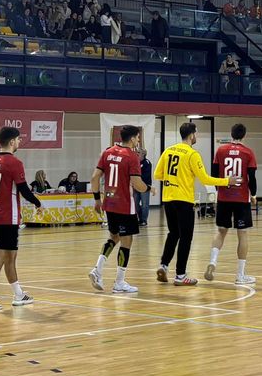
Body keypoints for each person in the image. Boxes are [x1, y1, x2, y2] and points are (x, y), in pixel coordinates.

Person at [155, 121, 233, 284]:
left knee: (173, 233)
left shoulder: (168, 150)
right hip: (184, 200)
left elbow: (158, 174)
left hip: (168, 199)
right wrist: (227, 181)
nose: (196, 136)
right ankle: (180, 275)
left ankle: (163, 265)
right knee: (186, 237)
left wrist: (173, 180)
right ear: (191, 135)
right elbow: (205, 179)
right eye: (196, 133)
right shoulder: (192, 154)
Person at [0, 126, 42, 309]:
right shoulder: (14, 163)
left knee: (10, 256)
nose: (20, 142)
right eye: (19, 139)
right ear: (12, 141)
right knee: (1, 255)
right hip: (8, 216)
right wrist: (38, 203)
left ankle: (18, 294)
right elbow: (24, 189)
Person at [89, 124, 148, 294]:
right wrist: (148, 188)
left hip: (109, 202)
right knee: (126, 241)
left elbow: (94, 177)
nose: (138, 141)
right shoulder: (132, 157)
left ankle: (97, 270)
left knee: (114, 236)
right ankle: (119, 282)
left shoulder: (107, 152)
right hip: (124, 204)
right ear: (132, 139)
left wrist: (97, 199)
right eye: (138, 138)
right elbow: (137, 183)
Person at [206, 123, 258, 285]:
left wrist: (219, 190)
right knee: (242, 234)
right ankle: (240, 275)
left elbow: (214, 173)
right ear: (244, 135)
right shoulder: (248, 152)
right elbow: (251, 177)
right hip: (241, 199)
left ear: (231, 134)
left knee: (221, 231)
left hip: (224, 197)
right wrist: (253, 194)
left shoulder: (220, 150)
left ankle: (213, 262)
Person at [137, 145, 153, 228]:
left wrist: (137, 179)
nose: (137, 154)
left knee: (145, 204)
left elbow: (146, 176)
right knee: (135, 203)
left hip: (145, 186)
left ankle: (144, 220)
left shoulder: (147, 163)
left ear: (143, 154)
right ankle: (139, 218)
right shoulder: (135, 162)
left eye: (138, 152)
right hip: (136, 186)